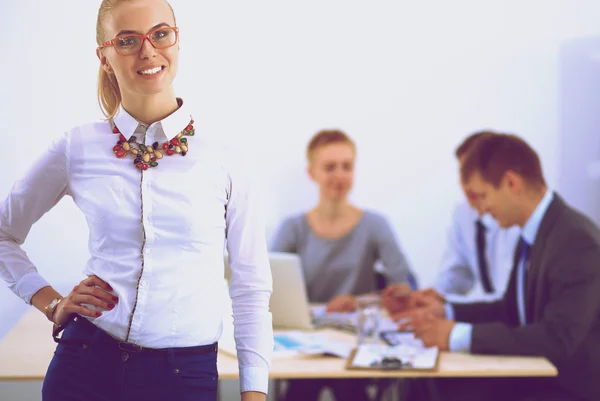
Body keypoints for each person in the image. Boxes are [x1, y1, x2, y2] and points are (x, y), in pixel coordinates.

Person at [0, 1, 272, 400]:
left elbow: (250, 286)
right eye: (127, 40)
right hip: (85, 363)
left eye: (160, 34)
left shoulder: (226, 158)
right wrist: (51, 303)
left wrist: (254, 391)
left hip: (185, 375)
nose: (148, 50)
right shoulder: (77, 147)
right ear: (105, 57)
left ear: (177, 42)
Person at [385, 133, 600, 401]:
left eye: (483, 196)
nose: (481, 209)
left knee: (448, 390)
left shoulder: (573, 239)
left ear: (511, 183)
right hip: (535, 375)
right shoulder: (534, 235)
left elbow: (558, 337)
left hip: (564, 387)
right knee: (424, 384)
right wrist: (447, 310)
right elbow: (509, 310)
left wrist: (456, 336)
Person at [271, 129, 415, 401]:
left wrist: (360, 301)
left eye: (347, 166)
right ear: (312, 173)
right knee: (302, 390)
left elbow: (404, 289)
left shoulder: (375, 225)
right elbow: (267, 287)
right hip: (304, 344)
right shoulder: (292, 228)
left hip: (354, 344)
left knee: (350, 390)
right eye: (329, 167)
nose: (339, 175)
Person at [434, 131, 520, 301]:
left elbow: (507, 299)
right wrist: (433, 297)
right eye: (462, 174)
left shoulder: (511, 218)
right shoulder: (462, 213)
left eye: (471, 175)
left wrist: (452, 309)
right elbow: (458, 273)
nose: (467, 185)